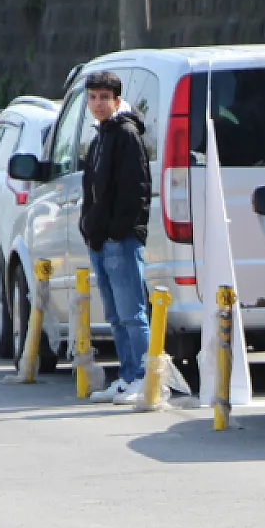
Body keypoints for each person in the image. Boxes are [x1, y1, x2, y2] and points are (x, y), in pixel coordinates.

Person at [80, 70, 153, 405]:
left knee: (132, 313)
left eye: (104, 98)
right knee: (113, 315)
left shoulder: (125, 134)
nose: (98, 104)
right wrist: (89, 229)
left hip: (120, 241)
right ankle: (126, 376)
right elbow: (92, 191)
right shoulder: (99, 137)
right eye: (92, 97)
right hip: (101, 242)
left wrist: (115, 231)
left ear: (117, 100)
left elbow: (136, 191)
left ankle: (143, 377)